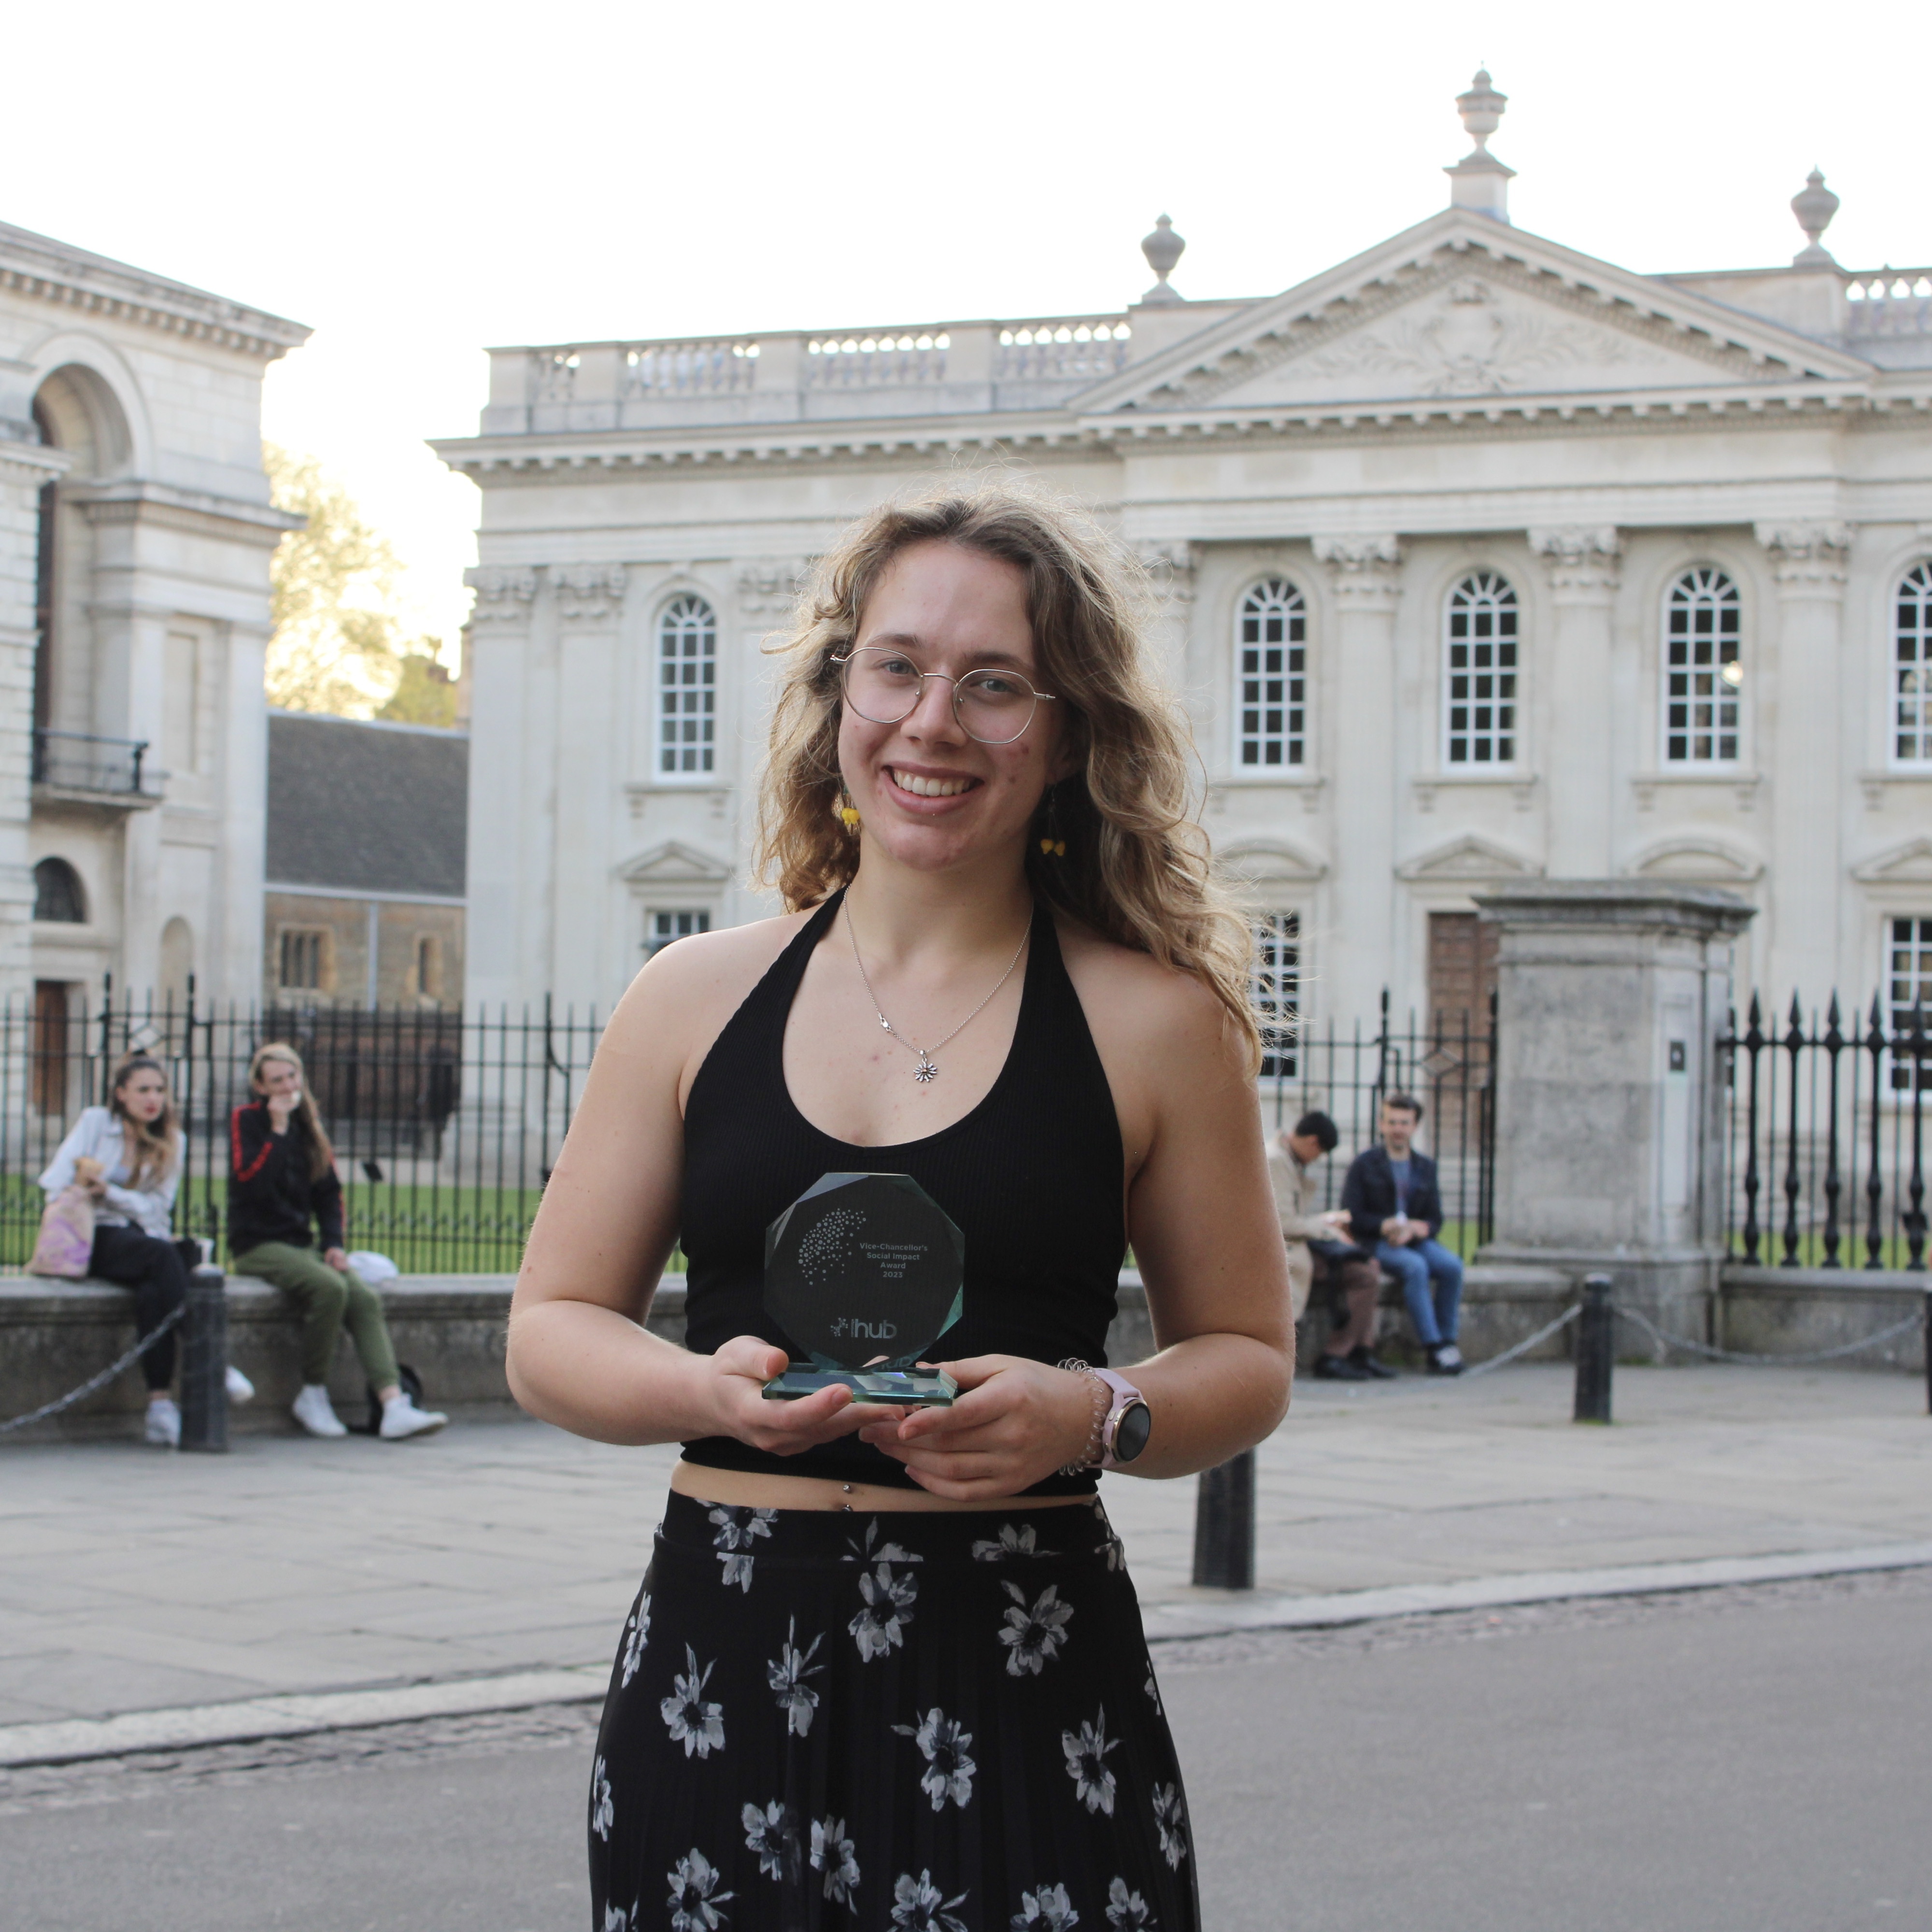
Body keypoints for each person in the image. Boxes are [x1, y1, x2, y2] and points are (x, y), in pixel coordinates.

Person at [508, 487, 1294, 1932]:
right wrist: (701, 1387)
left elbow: (1244, 1354)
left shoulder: (1154, 1019)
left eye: (994, 685)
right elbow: (550, 1327)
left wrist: (1096, 1410)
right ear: (838, 691)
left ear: (1064, 735)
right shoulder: (689, 997)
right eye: (898, 666)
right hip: (718, 1661)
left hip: (1020, 1658)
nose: (932, 719)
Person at [227, 1042, 447, 1440]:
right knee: (328, 1288)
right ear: (260, 1087)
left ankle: (393, 1402)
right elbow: (250, 1184)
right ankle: (312, 1392)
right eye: (276, 1080)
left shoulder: (310, 1127)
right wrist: (276, 1131)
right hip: (257, 1245)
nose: (287, 1086)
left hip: (301, 1245)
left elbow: (329, 1194)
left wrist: (334, 1244)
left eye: (292, 1076)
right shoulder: (248, 1122)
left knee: (361, 1295)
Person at [39, 1052, 253, 1447]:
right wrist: (94, 1191)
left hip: (140, 1241)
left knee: (155, 1291)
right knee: (162, 1257)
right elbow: (54, 1180)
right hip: (93, 1236)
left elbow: (159, 1207)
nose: (153, 1099)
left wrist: (113, 1195)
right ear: (121, 1094)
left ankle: (159, 1406)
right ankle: (213, 1364)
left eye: (159, 1090)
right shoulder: (95, 1124)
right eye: (143, 1090)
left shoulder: (174, 1140)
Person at [1341, 1093, 1465, 1374]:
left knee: (1451, 1266)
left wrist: (1419, 1229)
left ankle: (1448, 1340)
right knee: (1415, 1267)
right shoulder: (1365, 1164)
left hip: (1414, 1240)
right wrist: (1383, 1226)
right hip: (1377, 1241)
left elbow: (1435, 1218)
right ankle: (1433, 1347)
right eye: (1392, 1122)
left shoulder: (1425, 1167)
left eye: (1405, 1123)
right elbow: (1352, 1215)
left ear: (1415, 1126)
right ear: (1382, 1124)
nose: (1398, 1129)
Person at [1267, 1110, 1393, 1381]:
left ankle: (1359, 1350)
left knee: (1365, 1269)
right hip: (1284, 1252)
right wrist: (1327, 1228)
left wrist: (1325, 1222)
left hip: (1297, 1246)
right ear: (1313, 1142)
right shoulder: (1277, 1161)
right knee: (1364, 1274)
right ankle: (1338, 1355)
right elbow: (1284, 1223)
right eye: (1320, 1153)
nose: (1318, 1159)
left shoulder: (1286, 1159)